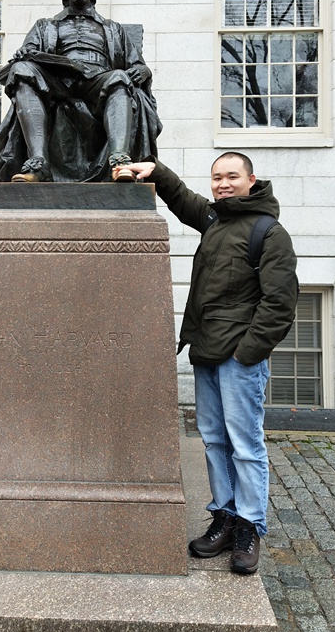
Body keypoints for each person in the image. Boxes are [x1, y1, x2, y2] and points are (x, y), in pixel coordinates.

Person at [125, 152, 298, 574]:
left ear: (251, 180)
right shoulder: (215, 221)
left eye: (231, 176)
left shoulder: (268, 232)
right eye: (217, 177)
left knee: (245, 445)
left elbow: (279, 304)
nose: (223, 184)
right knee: (215, 441)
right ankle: (223, 516)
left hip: (238, 357)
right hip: (205, 349)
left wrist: (247, 353)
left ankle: (249, 527)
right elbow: (184, 200)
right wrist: (156, 173)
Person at [0, 0, 161, 183]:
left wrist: (144, 71)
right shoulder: (45, 26)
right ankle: (37, 163)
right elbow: (29, 53)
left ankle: (120, 161)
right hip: (56, 82)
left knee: (120, 77)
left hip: (98, 80)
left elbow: (136, 64)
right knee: (22, 69)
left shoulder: (113, 29)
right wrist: (25, 56)